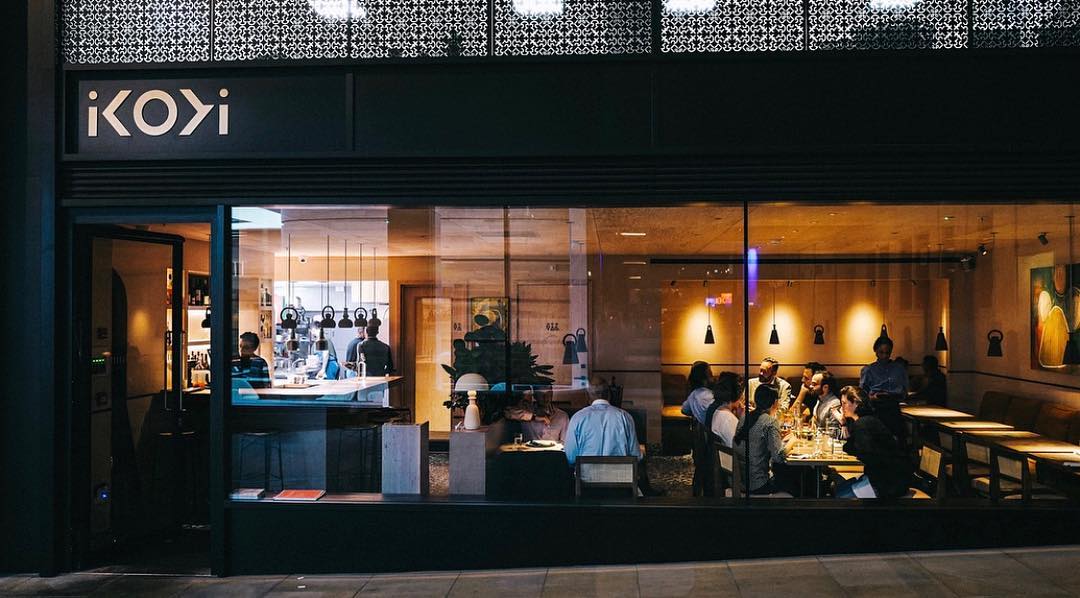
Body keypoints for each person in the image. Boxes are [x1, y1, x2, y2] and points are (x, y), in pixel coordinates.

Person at [835, 386, 913, 499]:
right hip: (883, 478)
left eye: (844, 403)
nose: (841, 408)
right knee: (838, 488)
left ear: (856, 403)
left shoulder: (863, 424)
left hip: (886, 484)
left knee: (839, 496)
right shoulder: (866, 420)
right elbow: (850, 447)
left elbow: (866, 454)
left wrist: (852, 448)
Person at [732, 385, 797, 495]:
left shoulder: (744, 417)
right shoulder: (770, 422)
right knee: (796, 480)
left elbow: (755, 439)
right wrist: (793, 440)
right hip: (759, 485)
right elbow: (778, 457)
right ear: (775, 402)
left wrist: (778, 437)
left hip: (741, 482)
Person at [564, 387, 641, 466]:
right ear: (609, 395)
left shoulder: (578, 417)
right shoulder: (625, 417)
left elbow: (570, 457)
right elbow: (636, 456)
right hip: (618, 472)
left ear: (588, 396)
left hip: (586, 473)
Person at [505, 387, 569, 443]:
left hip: (553, 452)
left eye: (548, 394)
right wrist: (534, 417)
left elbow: (565, 442)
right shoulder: (527, 410)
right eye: (542, 394)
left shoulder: (562, 416)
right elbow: (507, 412)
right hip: (529, 451)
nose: (546, 398)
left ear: (552, 393)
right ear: (535, 395)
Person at [707, 374, 744, 448]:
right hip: (731, 455)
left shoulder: (718, 411)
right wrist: (742, 419)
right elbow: (740, 448)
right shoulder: (728, 419)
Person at [680, 361, 715, 425]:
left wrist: (695, 411)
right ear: (704, 378)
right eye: (710, 372)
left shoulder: (693, 395)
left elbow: (684, 410)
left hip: (701, 429)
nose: (713, 375)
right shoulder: (710, 396)